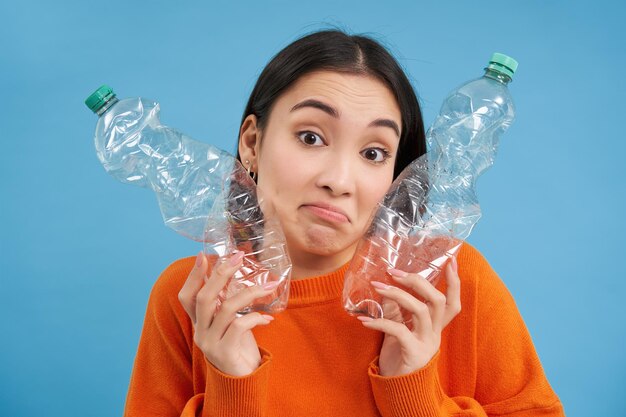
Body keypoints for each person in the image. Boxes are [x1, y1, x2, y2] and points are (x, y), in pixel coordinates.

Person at [124, 29, 565, 416]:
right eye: (310, 137)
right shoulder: (193, 297)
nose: (338, 181)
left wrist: (414, 391)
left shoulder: (449, 283)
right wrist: (232, 384)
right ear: (252, 143)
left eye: (374, 153)